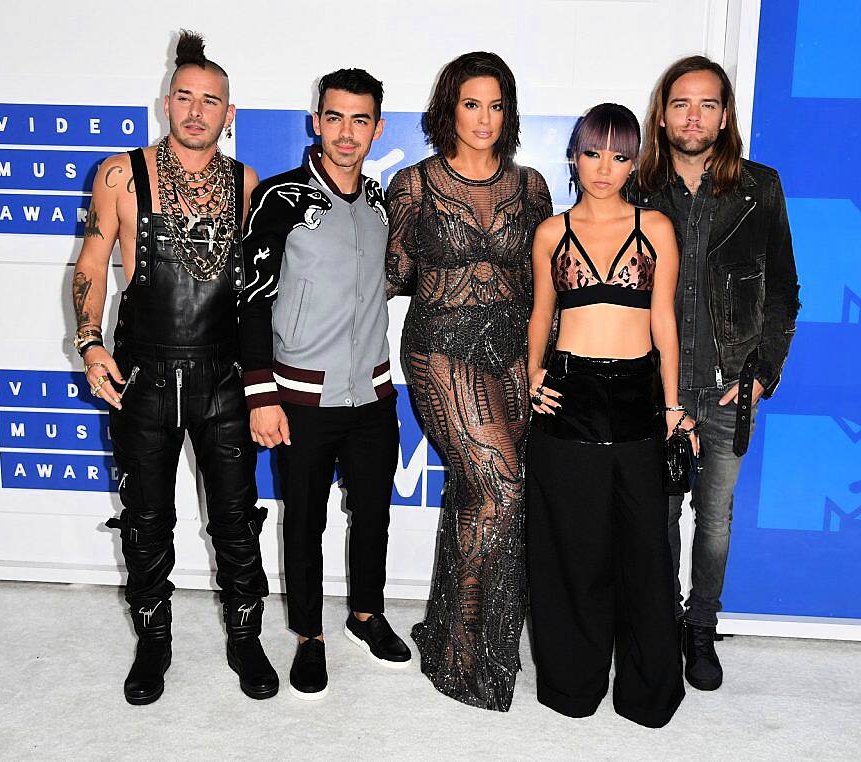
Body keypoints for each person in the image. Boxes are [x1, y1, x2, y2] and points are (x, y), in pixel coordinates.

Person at [70, 30, 278, 705]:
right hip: (144, 380)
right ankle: (153, 645)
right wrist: (90, 342)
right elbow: (92, 266)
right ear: (165, 102)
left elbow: (253, 293)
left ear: (229, 114)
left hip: (222, 381)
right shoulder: (120, 173)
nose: (195, 111)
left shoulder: (246, 184)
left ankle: (246, 640)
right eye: (184, 97)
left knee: (237, 523)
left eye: (209, 101)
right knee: (146, 522)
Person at [385, 51, 553, 711]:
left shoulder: (532, 186)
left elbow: (546, 284)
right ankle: (461, 652)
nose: (484, 118)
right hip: (441, 347)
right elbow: (390, 276)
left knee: (479, 498)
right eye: (471, 103)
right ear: (449, 108)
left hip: (515, 351)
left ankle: (463, 635)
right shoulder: (415, 184)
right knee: (500, 487)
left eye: (496, 104)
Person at [238, 68, 411, 701]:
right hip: (300, 398)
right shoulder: (281, 199)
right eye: (334, 117)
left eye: (359, 119)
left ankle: (366, 614)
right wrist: (260, 393)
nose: (346, 132)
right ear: (316, 122)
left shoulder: (382, 204)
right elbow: (250, 301)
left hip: (372, 397)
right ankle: (309, 638)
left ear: (376, 128)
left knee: (372, 515)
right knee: (304, 521)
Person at [632, 56, 800, 691]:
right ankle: (657, 626)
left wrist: (761, 374)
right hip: (659, 390)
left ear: (725, 115)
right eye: (681, 103)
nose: (693, 115)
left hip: (732, 386)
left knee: (715, 520)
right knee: (659, 514)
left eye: (707, 104)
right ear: (663, 113)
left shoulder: (761, 188)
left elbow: (784, 291)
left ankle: (700, 631)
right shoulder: (635, 190)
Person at [526, 103, 693, 728]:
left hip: (637, 395)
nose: (605, 168)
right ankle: (573, 685)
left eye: (620, 155)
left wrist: (673, 406)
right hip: (569, 392)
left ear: (635, 160)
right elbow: (543, 314)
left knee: (645, 550)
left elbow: (665, 321)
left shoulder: (656, 228)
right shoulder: (551, 231)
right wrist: (535, 373)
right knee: (571, 545)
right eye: (593, 153)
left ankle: (649, 692)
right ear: (574, 155)